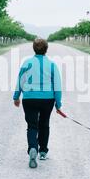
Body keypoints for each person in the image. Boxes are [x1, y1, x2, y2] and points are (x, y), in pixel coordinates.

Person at [13, 39, 63, 169]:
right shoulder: (52, 65)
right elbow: (57, 86)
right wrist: (58, 104)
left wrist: (16, 97)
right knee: (44, 124)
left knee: (32, 125)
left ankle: (32, 148)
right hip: (47, 99)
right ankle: (42, 151)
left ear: (34, 49)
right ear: (46, 49)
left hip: (29, 98)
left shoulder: (26, 63)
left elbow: (20, 80)